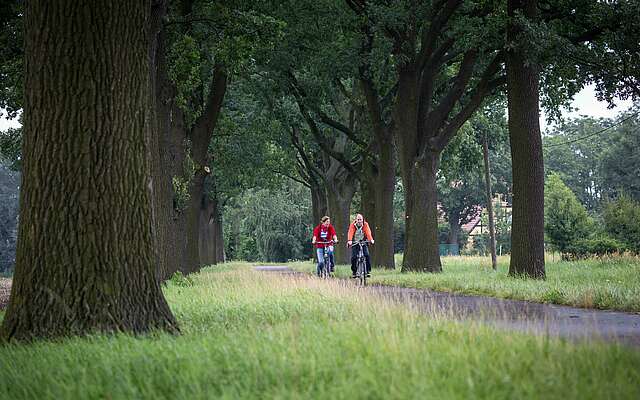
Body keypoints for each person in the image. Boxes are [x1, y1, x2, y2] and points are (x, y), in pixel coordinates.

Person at [347, 213, 374, 278]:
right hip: (355, 242)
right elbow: (350, 232)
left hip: (363, 242)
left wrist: (371, 239)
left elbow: (368, 232)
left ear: (363, 220)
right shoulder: (353, 225)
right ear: (356, 220)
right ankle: (354, 271)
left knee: (367, 255)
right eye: (358, 219)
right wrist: (350, 240)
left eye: (360, 219)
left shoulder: (365, 224)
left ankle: (367, 271)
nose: (359, 221)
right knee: (354, 257)